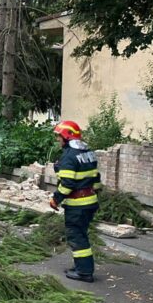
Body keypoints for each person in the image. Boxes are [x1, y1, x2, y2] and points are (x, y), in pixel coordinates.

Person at [50, 121, 102, 283]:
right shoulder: (88, 152)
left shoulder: (69, 156)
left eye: (59, 136)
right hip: (90, 202)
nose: (58, 140)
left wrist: (55, 199)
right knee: (81, 234)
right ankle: (80, 267)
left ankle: (85, 272)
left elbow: (67, 184)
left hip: (77, 204)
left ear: (66, 136)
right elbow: (96, 180)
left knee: (76, 236)